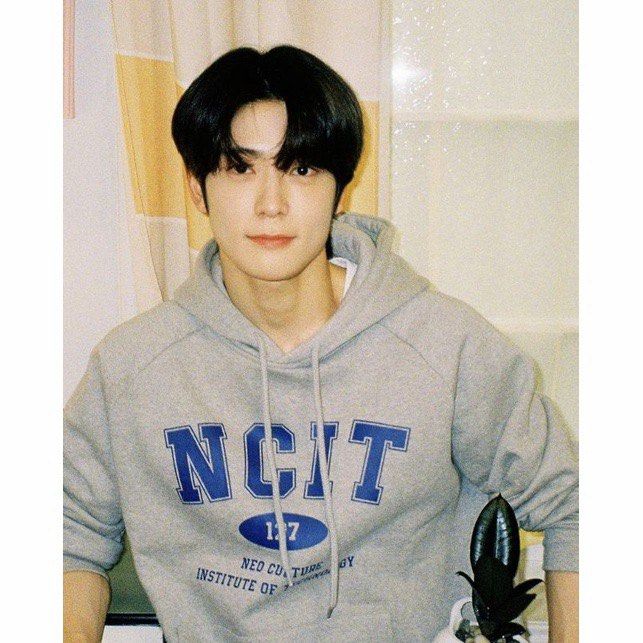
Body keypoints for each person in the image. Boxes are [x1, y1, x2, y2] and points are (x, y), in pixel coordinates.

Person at [63, 45, 578, 641]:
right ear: (197, 189)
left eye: (301, 169)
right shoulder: (132, 368)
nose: (271, 204)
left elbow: (574, 507)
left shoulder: (445, 347)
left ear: (341, 190)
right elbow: (65, 539)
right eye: (240, 168)